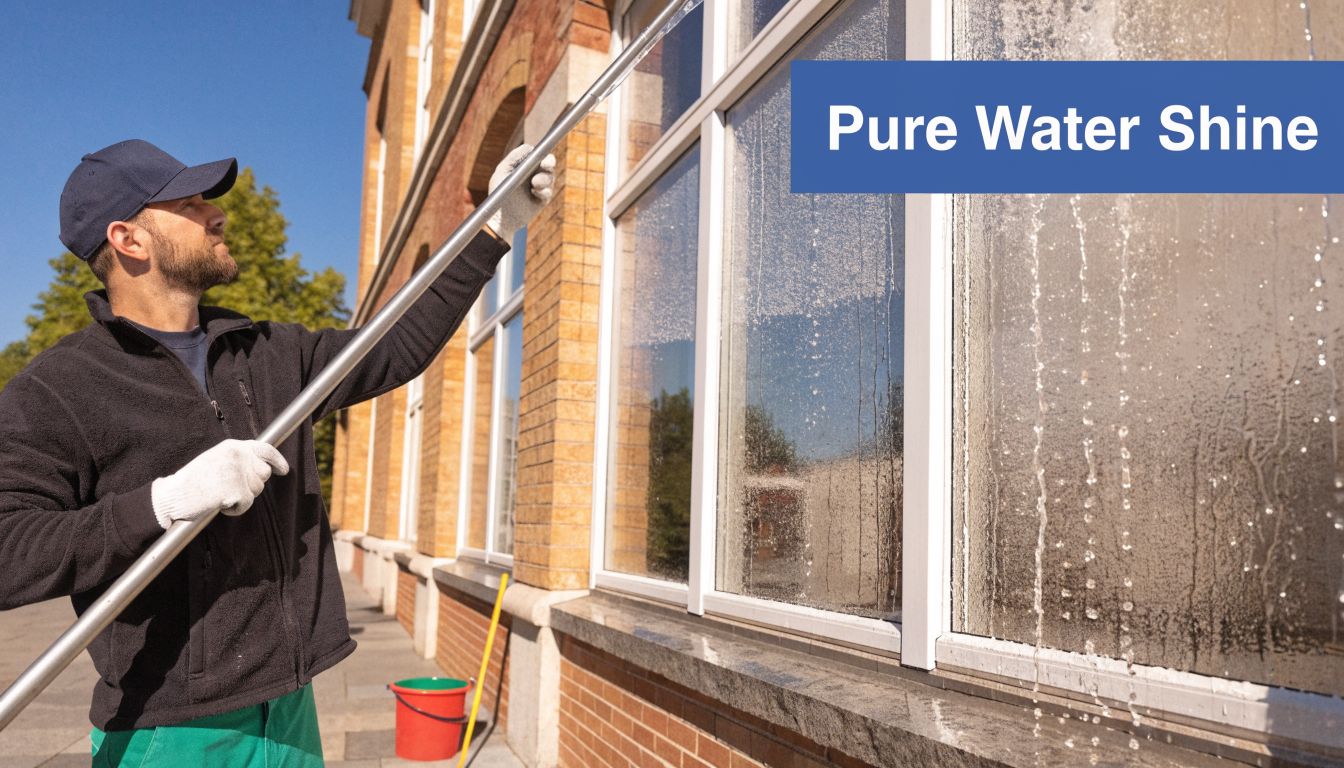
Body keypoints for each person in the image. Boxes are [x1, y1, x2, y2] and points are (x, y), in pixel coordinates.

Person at [0, 138, 554, 766]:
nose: (217, 214)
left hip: (289, 708)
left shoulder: (266, 353)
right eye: (189, 204)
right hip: (173, 731)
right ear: (129, 240)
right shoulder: (60, 388)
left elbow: (396, 348)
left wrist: (494, 228)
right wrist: (165, 502)